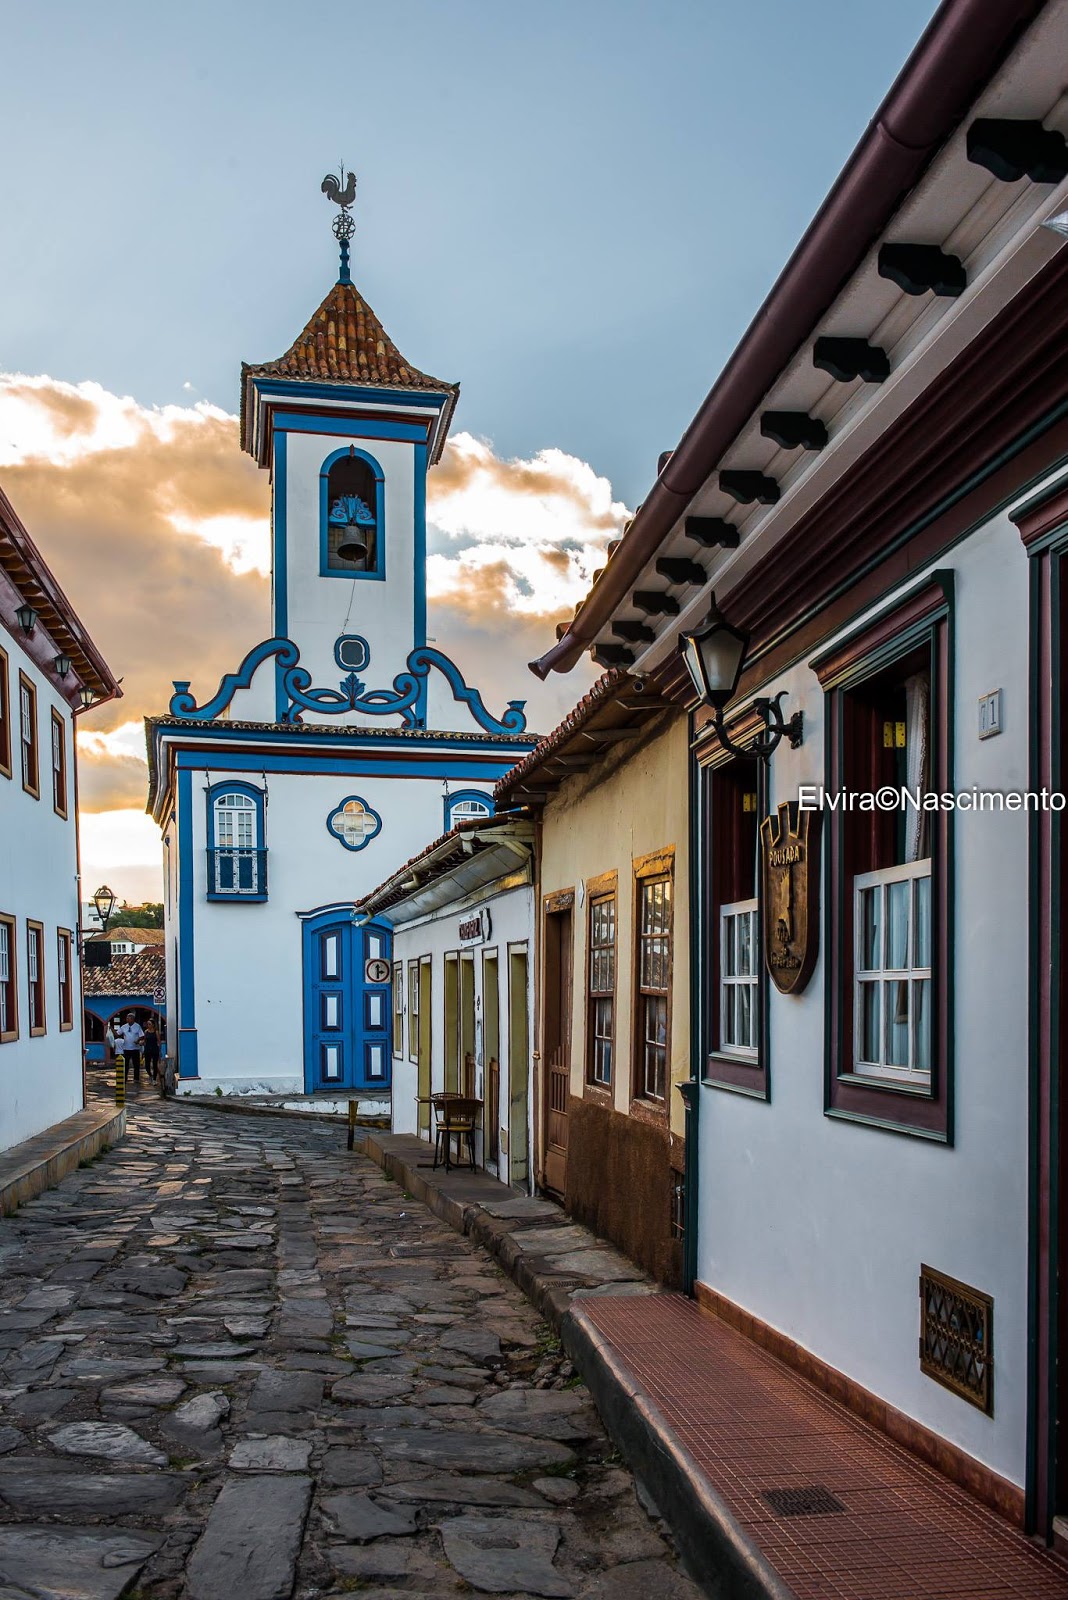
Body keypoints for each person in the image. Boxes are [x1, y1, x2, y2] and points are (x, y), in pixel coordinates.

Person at [122, 1012, 144, 1083]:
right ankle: (125, 1078)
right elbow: (118, 1034)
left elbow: (142, 1035)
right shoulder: (124, 1026)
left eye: (128, 1018)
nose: (127, 1019)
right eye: (127, 1018)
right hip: (126, 1048)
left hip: (135, 1048)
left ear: (132, 1019)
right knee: (125, 1064)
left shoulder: (137, 1026)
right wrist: (111, 1030)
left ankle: (136, 1079)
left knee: (136, 1064)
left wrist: (137, 1040)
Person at [143, 1018, 161, 1083]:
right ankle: (150, 1075)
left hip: (154, 1049)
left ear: (153, 1025)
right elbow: (144, 1041)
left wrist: (159, 1051)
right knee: (147, 1065)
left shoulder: (156, 1032)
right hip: (147, 1049)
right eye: (147, 1024)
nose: (148, 1025)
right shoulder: (146, 1032)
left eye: (149, 1024)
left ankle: (154, 1079)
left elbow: (159, 1042)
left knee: (154, 1065)